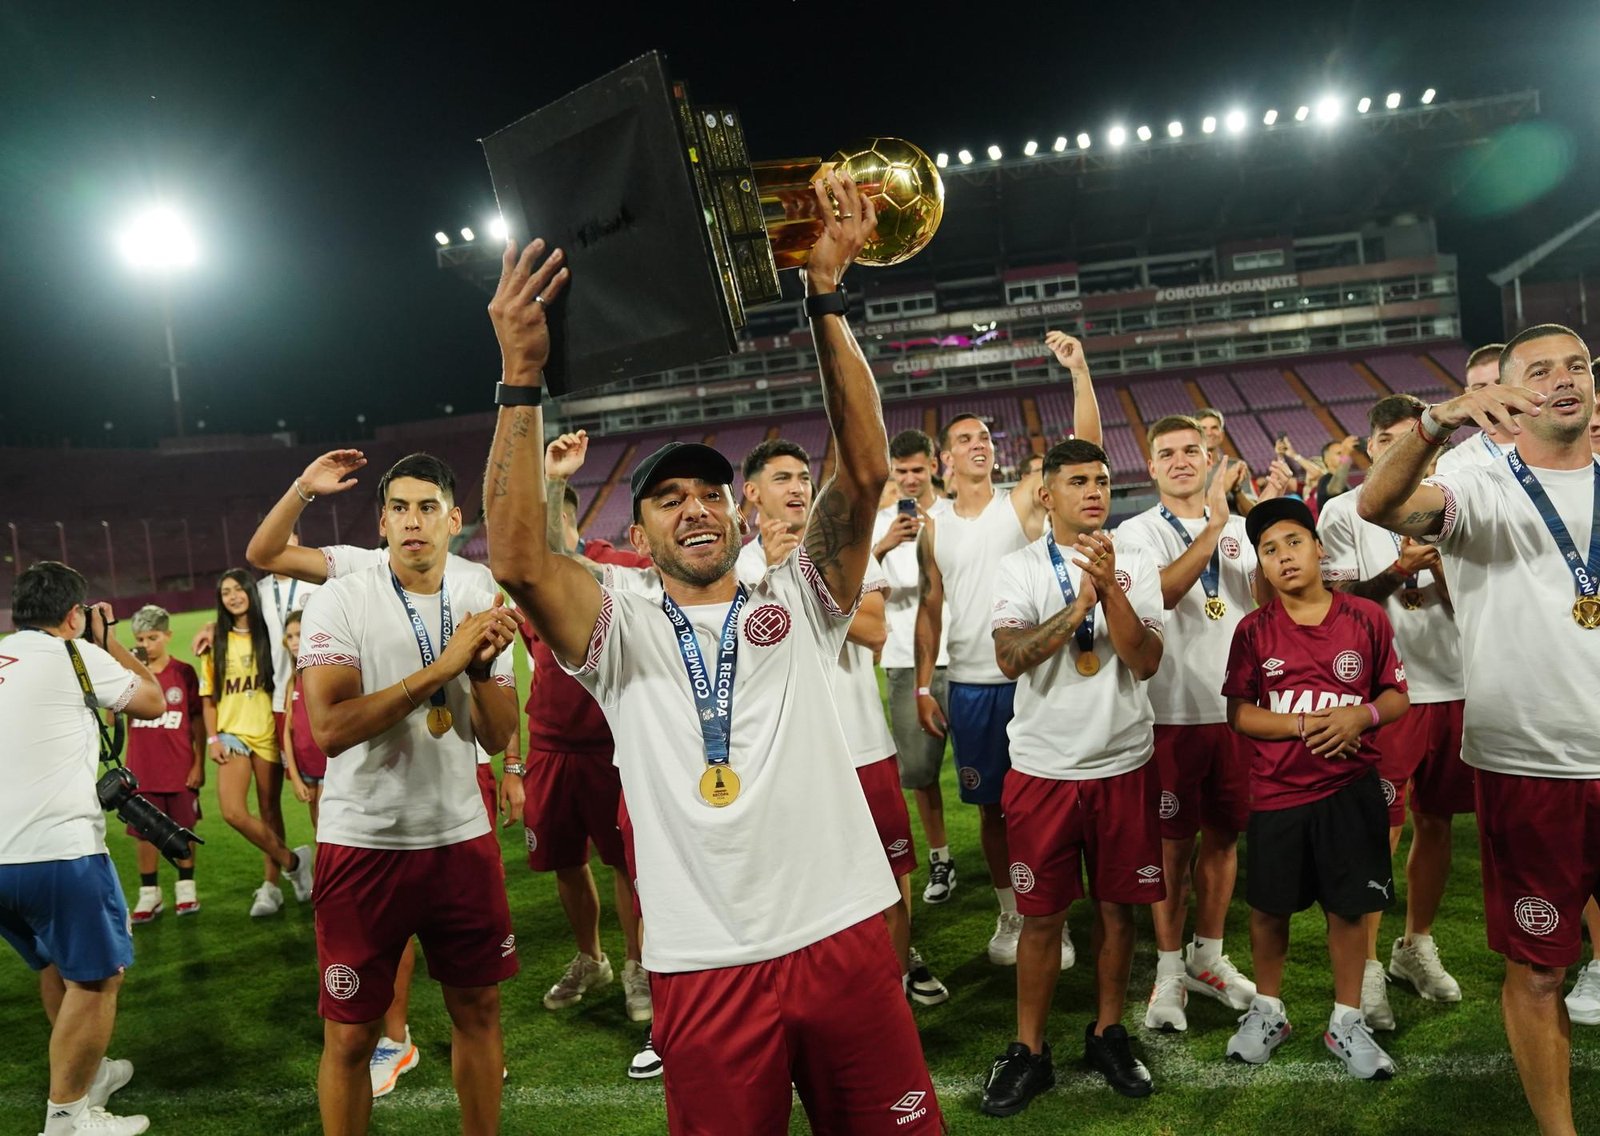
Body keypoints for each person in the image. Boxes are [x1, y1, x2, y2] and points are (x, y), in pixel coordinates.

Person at [486, 173, 944, 1134]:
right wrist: (520, 377)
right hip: (702, 961)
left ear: (735, 511)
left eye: (708, 491)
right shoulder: (616, 622)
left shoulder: (801, 596)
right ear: (641, 530)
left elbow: (864, 474)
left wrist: (825, 293)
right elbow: (522, 560)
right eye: (667, 498)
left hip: (844, 932)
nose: (694, 505)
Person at [1357, 323, 1600, 1134]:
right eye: (1541, 370)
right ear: (1513, 393)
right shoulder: (1478, 481)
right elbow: (1379, 503)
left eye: (1577, 365)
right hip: (1530, 764)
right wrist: (1441, 417)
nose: (1562, 378)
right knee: (1537, 973)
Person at [245, 445, 517, 1099]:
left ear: (454, 520)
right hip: (363, 840)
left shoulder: (479, 588)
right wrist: (445, 666)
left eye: (428, 507)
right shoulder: (344, 587)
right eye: (399, 508)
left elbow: (498, 733)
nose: (413, 520)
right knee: (349, 1037)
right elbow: (331, 731)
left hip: (460, 835)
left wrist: (478, 673)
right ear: (382, 523)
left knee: (479, 1014)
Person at [978, 439, 1166, 1116]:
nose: (1094, 491)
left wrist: (1109, 587)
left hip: (1122, 762)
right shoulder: (1019, 569)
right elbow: (1011, 657)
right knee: (1040, 918)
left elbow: (1144, 661)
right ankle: (1029, 1050)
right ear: (1047, 496)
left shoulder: (1137, 563)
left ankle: (1107, 1033)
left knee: (1117, 909)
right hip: (1044, 769)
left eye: (1103, 480)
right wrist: (1078, 601)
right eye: (1078, 481)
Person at [739, 437, 950, 1007]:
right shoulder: (734, 567)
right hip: (786, 758)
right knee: (801, 885)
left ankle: (899, 973)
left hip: (860, 745)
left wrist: (795, 575)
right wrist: (775, 575)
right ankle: (826, 990)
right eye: (782, 478)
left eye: (804, 477)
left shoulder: (847, 549)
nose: (798, 488)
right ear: (752, 493)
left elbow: (876, 630)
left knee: (891, 872)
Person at [916, 328, 1101, 967]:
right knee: (993, 809)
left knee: (1047, 804)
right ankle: (1010, 915)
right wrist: (922, 683)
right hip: (968, 684)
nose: (979, 444)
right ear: (944, 459)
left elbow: (1083, 453)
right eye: (964, 439)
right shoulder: (931, 526)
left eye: (985, 437)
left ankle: (1053, 916)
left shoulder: (1020, 502)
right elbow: (930, 606)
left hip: (1031, 676)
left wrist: (1078, 373)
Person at [1222, 497, 1410, 1080]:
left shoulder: (1365, 618)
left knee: (1350, 910)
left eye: (1293, 542)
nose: (1284, 557)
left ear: (1318, 547)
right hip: (1277, 793)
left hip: (1350, 790)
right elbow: (1241, 715)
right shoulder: (1253, 630)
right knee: (1268, 908)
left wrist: (1362, 719)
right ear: (1262, 565)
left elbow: (1396, 696)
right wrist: (1305, 725)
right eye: (1269, 550)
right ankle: (1269, 1011)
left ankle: (1346, 1019)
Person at [1318, 394, 1473, 1030]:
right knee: (1377, 833)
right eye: (1390, 439)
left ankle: (1415, 944)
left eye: (1418, 437)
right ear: (1373, 445)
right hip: (1385, 695)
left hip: (1458, 684)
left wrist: (1443, 580)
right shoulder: (1342, 511)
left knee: (1437, 824)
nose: (1402, 448)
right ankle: (1366, 969)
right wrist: (1398, 569)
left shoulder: (1460, 505)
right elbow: (1337, 603)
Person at [1, 562, 168, 1136]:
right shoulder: (75, 656)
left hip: (2, 857)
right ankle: (69, 1119)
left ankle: (86, 1075)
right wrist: (110, 643)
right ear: (74, 614)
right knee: (97, 981)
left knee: (56, 962)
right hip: (58, 852)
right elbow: (151, 700)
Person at [1115, 416, 1259, 1033]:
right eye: (1167, 453)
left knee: (1225, 840)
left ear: (1209, 457)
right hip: (1170, 713)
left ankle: (1209, 955)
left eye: (1191, 451)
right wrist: (1215, 530)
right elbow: (1161, 595)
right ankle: (1168, 970)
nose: (1180, 461)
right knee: (1172, 850)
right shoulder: (1134, 532)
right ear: (1150, 466)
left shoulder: (1244, 530)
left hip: (1235, 713)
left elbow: (1261, 604)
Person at [523, 431, 654, 1033]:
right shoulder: (528, 587)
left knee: (626, 862)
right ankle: (592, 957)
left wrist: (551, 483)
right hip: (551, 744)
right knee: (564, 860)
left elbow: (561, 554)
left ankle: (636, 964)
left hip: (609, 743)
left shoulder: (614, 565)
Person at [870, 429, 954, 902]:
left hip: (964, 657)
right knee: (920, 773)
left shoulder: (955, 515)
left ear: (934, 468)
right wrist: (882, 546)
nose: (908, 479)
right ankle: (941, 859)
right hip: (905, 659)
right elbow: (856, 582)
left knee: (992, 771)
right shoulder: (880, 522)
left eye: (917, 470)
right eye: (900, 471)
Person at [199, 568, 312, 917]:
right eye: (225, 591)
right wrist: (213, 737)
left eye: (238, 589)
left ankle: (272, 886)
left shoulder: (268, 634)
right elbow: (208, 697)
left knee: (269, 809)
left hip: (266, 728)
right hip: (232, 734)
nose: (232, 596)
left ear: (250, 591)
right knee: (233, 811)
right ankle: (294, 862)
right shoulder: (215, 641)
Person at [124, 605, 205, 923]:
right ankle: (150, 893)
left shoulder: (183, 672)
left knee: (183, 829)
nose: (146, 644)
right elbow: (112, 716)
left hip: (180, 768)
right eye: (141, 638)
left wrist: (198, 762)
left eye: (153, 637)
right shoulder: (129, 676)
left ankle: (186, 887)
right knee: (143, 833)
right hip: (142, 770)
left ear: (168, 636)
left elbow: (197, 718)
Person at [280, 610, 329, 831]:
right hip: (306, 767)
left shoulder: (324, 673)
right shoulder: (292, 680)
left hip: (329, 765)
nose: (294, 642)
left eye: (299, 634)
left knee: (326, 825)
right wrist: (294, 775)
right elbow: (287, 732)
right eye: (289, 637)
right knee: (317, 827)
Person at [1433, 343, 1510, 477]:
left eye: (1500, 382)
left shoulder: (1556, 435)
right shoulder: (1455, 462)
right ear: (1468, 395)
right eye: (1480, 388)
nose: (1492, 394)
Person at [1195, 408, 1258, 514]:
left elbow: (1253, 515)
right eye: (1203, 428)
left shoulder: (1236, 467)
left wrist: (1237, 490)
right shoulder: (1187, 470)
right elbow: (1189, 517)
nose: (1209, 433)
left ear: (1222, 435)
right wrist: (1223, 487)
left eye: (1214, 428)